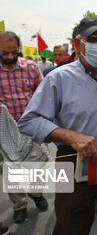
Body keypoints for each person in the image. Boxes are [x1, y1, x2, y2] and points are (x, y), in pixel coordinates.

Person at [18, 17, 97, 235]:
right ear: (76, 44)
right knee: (70, 225)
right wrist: (70, 136)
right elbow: (29, 121)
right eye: (93, 40)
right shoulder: (58, 78)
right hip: (71, 159)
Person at [0, 31, 48, 223]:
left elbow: (44, 95)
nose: (10, 57)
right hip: (4, 133)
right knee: (10, 170)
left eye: (14, 52)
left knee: (36, 168)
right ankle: (19, 205)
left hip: (30, 129)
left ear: (19, 48)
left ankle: (36, 195)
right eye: (5, 53)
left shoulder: (31, 68)